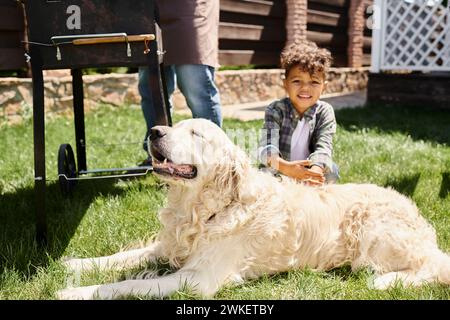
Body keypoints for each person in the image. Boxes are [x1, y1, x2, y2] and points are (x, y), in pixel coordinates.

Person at [138, 0, 222, 164]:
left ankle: (212, 158)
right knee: (151, 89)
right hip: (147, 10)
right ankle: (159, 154)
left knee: (196, 89)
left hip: (191, 9)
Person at [258, 40, 339, 186]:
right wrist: (286, 168)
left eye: (314, 82)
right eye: (297, 81)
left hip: (309, 169)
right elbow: (267, 147)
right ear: (285, 84)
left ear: (324, 87)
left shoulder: (324, 112)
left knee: (332, 170)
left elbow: (324, 147)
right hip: (281, 169)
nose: (305, 88)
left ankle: (313, 194)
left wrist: (314, 171)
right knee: (263, 176)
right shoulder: (276, 109)